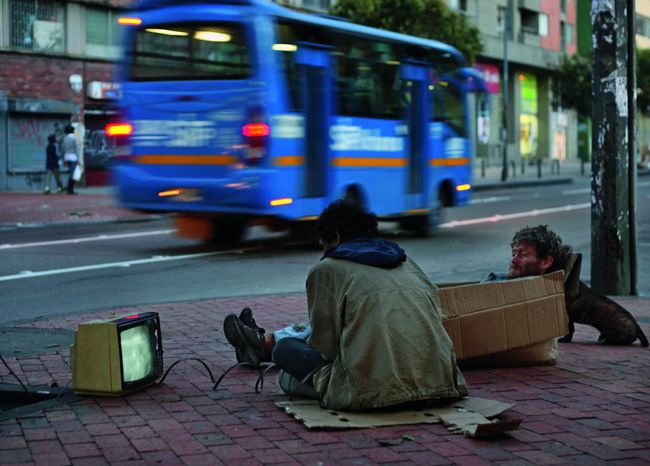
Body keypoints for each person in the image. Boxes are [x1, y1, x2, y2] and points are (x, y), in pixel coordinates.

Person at [223, 200, 468, 411]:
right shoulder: (408, 263)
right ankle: (260, 345)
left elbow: (325, 348)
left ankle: (264, 346)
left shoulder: (327, 269)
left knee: (285, 357)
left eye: (323, 245)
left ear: (336, 237)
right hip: (442, 383)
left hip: (373, 393)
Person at [486, 225, 647, 347]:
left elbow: (565, 312)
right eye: (514, 253)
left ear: (546, 262)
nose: (514, 259)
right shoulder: (560, 280)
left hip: (623, 330)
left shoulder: (561, 288)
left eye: (523, 254)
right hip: (624, 327)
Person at [62, 124, 80, 194]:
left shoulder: (65, 139)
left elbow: (63, 149)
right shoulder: (74, 138)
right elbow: (76, 150)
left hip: (67, 157)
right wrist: (78, 159)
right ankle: (70, 189)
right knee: (73, 174)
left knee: (71, 173)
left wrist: (64, 158)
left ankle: (69, 189)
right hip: (73, 157)